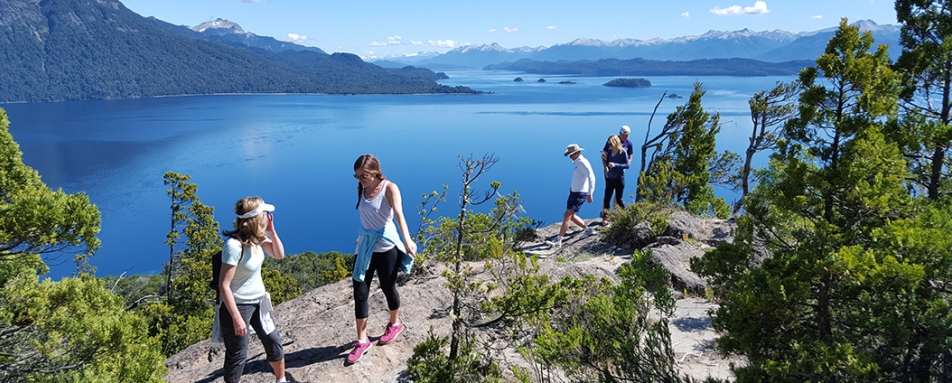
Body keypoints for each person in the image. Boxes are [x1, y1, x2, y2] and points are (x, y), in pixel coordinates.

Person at [348, 154, 417, 365]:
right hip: (365, 247)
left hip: (386, 247)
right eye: (357, 176)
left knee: (388, 287)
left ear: (376, 172)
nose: (360, 180)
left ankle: (395, 324)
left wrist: (407, 240)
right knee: (360, 291)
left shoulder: (389, 188)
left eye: (364, 175)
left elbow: (399, 214)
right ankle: (362, 340)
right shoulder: (362, 188)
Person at [216, 197, 287, 383]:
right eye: (265, 214)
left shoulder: (257, 239)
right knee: (238, 354)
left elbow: (279, 255)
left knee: (273, 341)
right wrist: (237, 318)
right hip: (238, 306)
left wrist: (271, 231)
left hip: (259, 302)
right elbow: (224, 285)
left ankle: (281, 379)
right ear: (257, 218)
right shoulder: (233, 246)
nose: (268, 216)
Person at [550, 144, 596, 249]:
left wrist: (590, 193)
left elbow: (592, 176)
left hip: (580, 193)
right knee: (572, 216)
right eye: (569, 155)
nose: (570, 156)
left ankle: (559, 240)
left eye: (571, 154)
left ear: (577, 152)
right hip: (574, 192)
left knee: (567, 215)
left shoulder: (582, 162)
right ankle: (588, 230)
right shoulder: (577, 163)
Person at [600, 135, 630, 222]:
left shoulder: (622, 152)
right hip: (610, 179)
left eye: (610, 144)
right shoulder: (609, 152)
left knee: (619, 199)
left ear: (615, 143)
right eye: (608, 144)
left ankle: (627, 215)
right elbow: (605, 161)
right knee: (606, 199)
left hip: (619, 179)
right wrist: (606, 167)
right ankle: (605, 218)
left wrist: (615, 165)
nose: (609, 146)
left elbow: (627, 165)